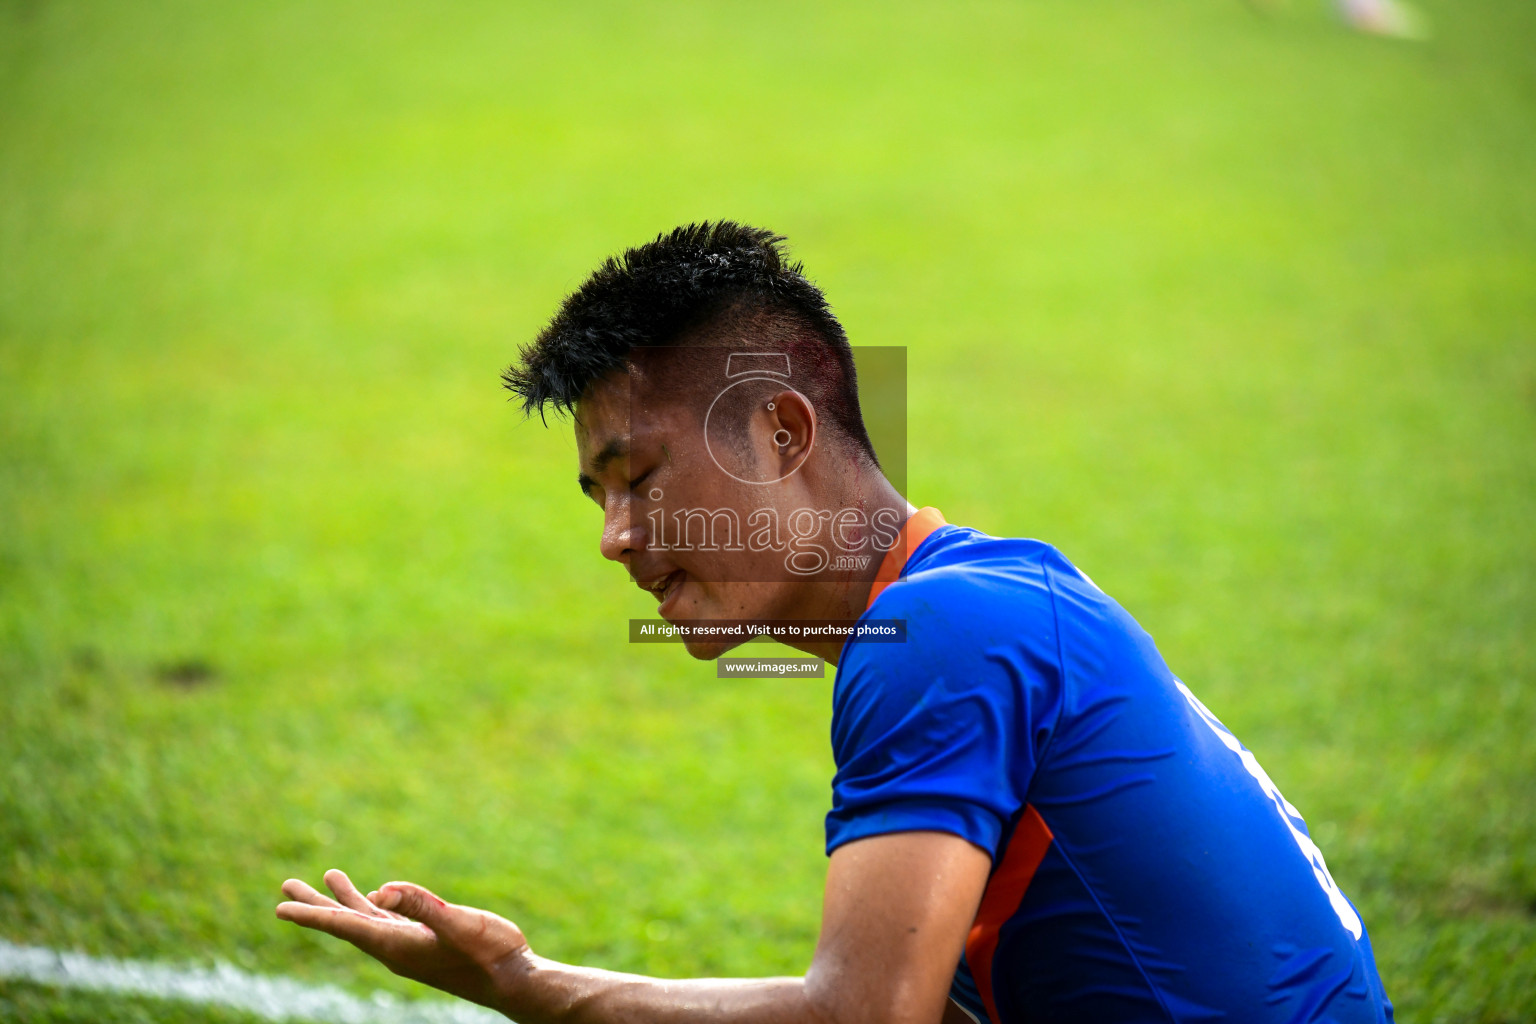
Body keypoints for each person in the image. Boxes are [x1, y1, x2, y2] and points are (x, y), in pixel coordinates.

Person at [276, 222, 1395, 1023]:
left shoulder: (939, 640)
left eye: (640, 477)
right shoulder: (987, 593)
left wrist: (533, 987)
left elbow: (867, 1016)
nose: (614, 538)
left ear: (780, 434)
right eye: (597, 498)